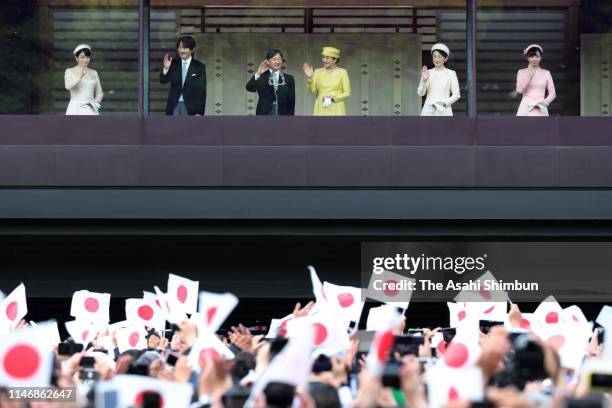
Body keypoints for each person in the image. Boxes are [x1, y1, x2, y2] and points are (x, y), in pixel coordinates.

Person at [160, 35, 207, 116]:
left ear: (192, 49)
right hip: (174, 105)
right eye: (179, 48)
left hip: (191, 106)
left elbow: (202, 92)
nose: (181, 51)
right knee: (174, 128)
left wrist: (199, 112)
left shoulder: (199, 67)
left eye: (185, 48)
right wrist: (166, 68)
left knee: (188, 128)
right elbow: (163, 80)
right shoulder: (173, 64)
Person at [303, 47, 351, 116]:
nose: (324, 60)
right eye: (323, 57)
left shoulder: (342, 72)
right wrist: (310, 78)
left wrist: (333, 98)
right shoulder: (317, 71)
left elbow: (347, 93)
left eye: (327, 58)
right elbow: (311, 90)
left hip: (337, 108)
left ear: (335, 59)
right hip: (321, 108)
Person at [246, 49, 295, 116]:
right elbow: (249, 88)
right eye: (274, 59)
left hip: (283, 115)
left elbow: (291, 101)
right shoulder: (261, 77)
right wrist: (258, 73)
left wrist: (291, 119)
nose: (277, 62)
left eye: (279, 59)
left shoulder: (289, 79)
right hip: (264, 114)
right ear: (268, 61)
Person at [417, 43, 460, 116]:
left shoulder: (451, 73)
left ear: (445, 58)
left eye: (439, 57)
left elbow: (457, 95)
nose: (437, 59)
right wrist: (424, 80)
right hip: (428, 111)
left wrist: (444, 103)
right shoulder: (427, 72)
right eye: (435, 56)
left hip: (444, 111)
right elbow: (420, 93)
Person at [516, 44, 556, 116]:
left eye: (537, 56)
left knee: (542, 127)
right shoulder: (521, 72)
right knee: (522, 126)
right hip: (525, 107)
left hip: (540, 107)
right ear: (527, 58)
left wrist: (544, 103)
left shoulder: (546, 73)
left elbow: (553, 93)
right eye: (531, 56)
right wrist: (529, 76)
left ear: (540, 58)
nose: (534, 59)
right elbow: (519, 90)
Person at [64, 44, 103, 115]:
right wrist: (80, 76)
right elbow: (68, 86)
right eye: (82, 57)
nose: (85, 60)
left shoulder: (94, 73)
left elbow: (99, 92)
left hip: (90, 109)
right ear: (76, 58)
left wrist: (96, 102)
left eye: (87, 57)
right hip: (75, 109)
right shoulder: (69, 71)